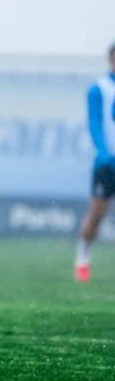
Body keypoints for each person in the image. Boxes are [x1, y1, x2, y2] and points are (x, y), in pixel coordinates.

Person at [74, 43, 115, 282]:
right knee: (97, 214)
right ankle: (82, 256)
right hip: (107, 163)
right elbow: (95, 123)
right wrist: (103, 153)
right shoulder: (99, 89)